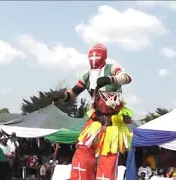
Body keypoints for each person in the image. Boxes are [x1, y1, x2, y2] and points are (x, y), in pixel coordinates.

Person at [54, 43, 133, 180]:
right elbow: (74, 92)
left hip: (113, 123)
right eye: (91, 54)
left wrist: (110, 79)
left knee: (108, 157)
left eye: (97, 54)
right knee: (83, 150)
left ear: (104, 56)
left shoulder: (111, 67)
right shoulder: (87, 75)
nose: (94, 57)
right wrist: (64, 96)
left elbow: (127, 78)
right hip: (95, 121)